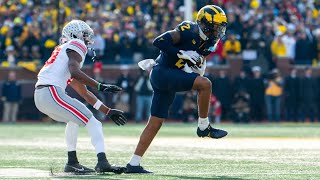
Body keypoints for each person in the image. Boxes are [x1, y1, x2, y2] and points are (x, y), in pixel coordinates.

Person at [125, 5, 228, 173]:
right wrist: (181, 53)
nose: (218, 31)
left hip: (170, 76)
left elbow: (196, 63)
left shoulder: (208, 44)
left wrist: (194, 66)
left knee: (155, 122)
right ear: (204, 24)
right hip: (163, 72)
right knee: (205, 84)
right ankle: (204, 127)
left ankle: (133, 164)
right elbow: (158, 41)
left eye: (220, 28)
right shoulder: (188, 30)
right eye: (216, 27)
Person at [34, 20, 127, 174]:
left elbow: (83, 91)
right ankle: (102, 162)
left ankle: (72, 162)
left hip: (41, 95)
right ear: (74, 35)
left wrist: (108, 111)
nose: (87, 38)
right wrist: (100, 85)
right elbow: (76, 72)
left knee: (73, 121)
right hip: (52, 93)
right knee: (94, 123)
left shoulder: (63, 52)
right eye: (84, 34)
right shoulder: (76, 44)